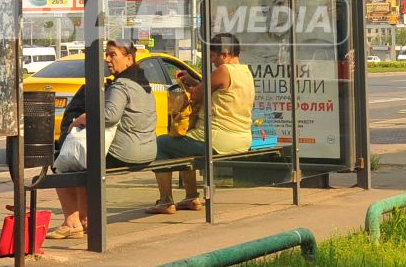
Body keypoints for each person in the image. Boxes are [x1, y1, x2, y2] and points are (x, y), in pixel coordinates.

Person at [49, 40, 156, 239]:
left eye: (113, 54)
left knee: (62, 162)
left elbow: (109, 116)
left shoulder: (122, 85)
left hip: (125, 152)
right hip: (146, 150)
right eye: (107, 54)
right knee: (81, 161)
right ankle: (84, 219)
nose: (107, 59)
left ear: (129, 59)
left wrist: (82, 118)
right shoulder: (143, 84)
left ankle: (73, 222)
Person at [149, 33, 255, 213]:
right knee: (181, 144)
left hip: (217, 139)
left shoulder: (224, 70)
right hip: (243, 138)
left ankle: (166, 201)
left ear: (225, 53)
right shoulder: (246, 72)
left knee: (161, 144)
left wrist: (189, 84)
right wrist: (193, 81)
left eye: (214, 55)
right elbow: (213, 90)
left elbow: (196, 94)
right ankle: (190, 199)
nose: (213, 61)